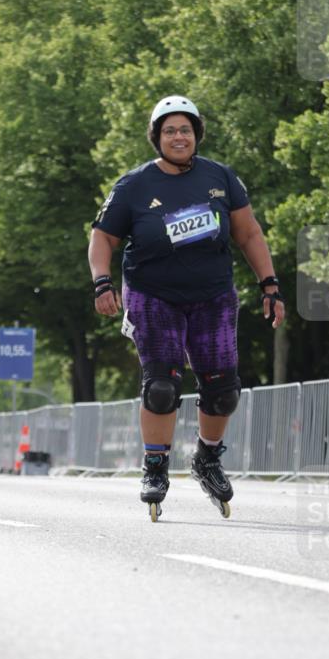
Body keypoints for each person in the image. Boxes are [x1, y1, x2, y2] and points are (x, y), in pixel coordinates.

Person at [88, 95, 285, 518]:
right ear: (157, 137)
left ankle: (207, 459)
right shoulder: (134, 185)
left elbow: (249, 234)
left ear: (196, 134)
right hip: (153, 294)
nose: (179, 137)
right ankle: (155, 466)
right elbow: (102, 237)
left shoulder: (221, 178)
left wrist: (270, 285)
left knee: (224, 391)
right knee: (162, 386)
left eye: (185, 130)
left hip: (212, 296)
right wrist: (102, 282)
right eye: (169, 131)